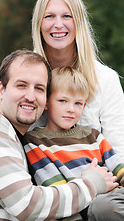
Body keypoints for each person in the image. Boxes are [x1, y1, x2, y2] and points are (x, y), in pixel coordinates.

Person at [0, 0, 124, 161]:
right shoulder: (20, 70)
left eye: (66, 16)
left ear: (78, 22)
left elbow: (118, 151)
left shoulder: (105, 79)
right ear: (39, 23)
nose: (58, 24)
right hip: (29, 182)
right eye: (49, 16)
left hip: (97, 184)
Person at [0, 49, 117, 221]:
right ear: (1, 90)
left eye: (39, 88)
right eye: (21, 85)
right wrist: (91, 184)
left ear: (46, 101)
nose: (30, 97)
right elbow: (27, 205)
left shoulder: (11, 136)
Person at [23, 66, 124, 221]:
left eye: (78, 103)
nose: (71, 109)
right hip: (88, 205)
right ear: (47, 102)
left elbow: (118, 168)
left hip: (116, 196)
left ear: (84, 106)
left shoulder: (93, 136)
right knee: (103, 207)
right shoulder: (36, 142)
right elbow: (56, 190)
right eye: (63, 101)